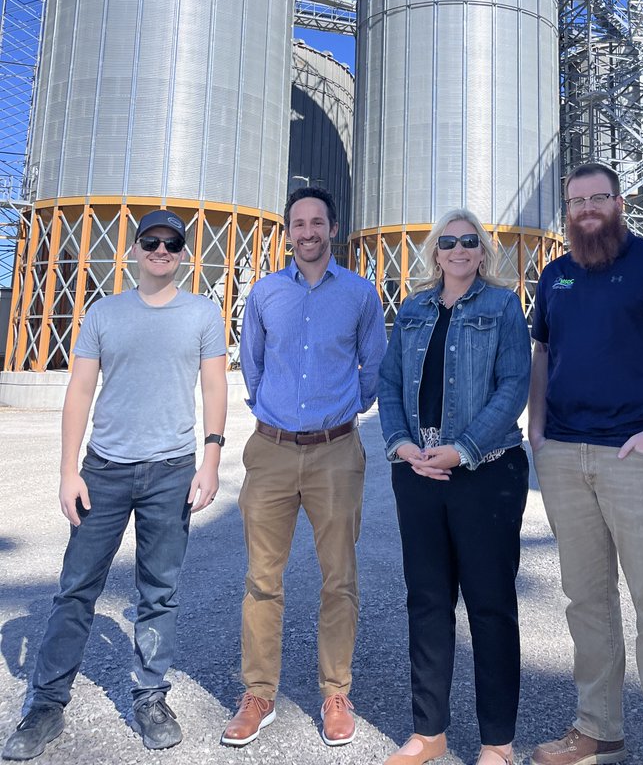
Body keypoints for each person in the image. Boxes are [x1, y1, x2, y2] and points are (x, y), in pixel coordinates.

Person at [2, 211, 227, 762]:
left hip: (171, 471)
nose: (161, 250)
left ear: (183, 253)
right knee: (76, 589)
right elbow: (80, 390)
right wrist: (68, 470)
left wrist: (211, 458)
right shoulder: (104, 312)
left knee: (159, 592)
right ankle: (46, 704)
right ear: (135, 249)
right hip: (104, 470)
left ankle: (150, 697)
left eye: (171, 243)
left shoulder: (202, 312)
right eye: (151, 241)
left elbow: (215, 386)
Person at [529, 164, 643, 765]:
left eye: (598, 198)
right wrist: (537, 432)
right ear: (566, 211)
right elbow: (543, 354)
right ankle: (598, 731)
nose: (586, 209)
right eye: (576, 201)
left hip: (637, 458)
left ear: (619, 203)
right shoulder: (555, 275)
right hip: (565, 455)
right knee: (586, 603)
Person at [222, 185, 387, 749]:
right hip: (270, 450)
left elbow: (373, 368)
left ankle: (335, 692)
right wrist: (278, 412)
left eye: (318, 222)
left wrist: (341, 412)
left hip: (336, 451)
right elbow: (252, 364)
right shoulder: (266, 293)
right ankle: (258, 694)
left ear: (333, 229)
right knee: (261, 579)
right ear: (288, 232)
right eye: (299, 223)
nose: (308, 232)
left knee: (338, 578)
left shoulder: (360, 295)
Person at [379, 209, 532, 765]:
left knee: (490, 607)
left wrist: (462, 448)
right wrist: (401, 445)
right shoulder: (413, 308)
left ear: (483, 251)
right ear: (435, 252)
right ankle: (429, 733)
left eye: (469, 241)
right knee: (426, 602)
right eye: (448, 242)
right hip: (417, 471)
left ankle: (497, 743)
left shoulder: (503, 306)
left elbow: (513, 387)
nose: (459, 250)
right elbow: (389, 381)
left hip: (485, 471)